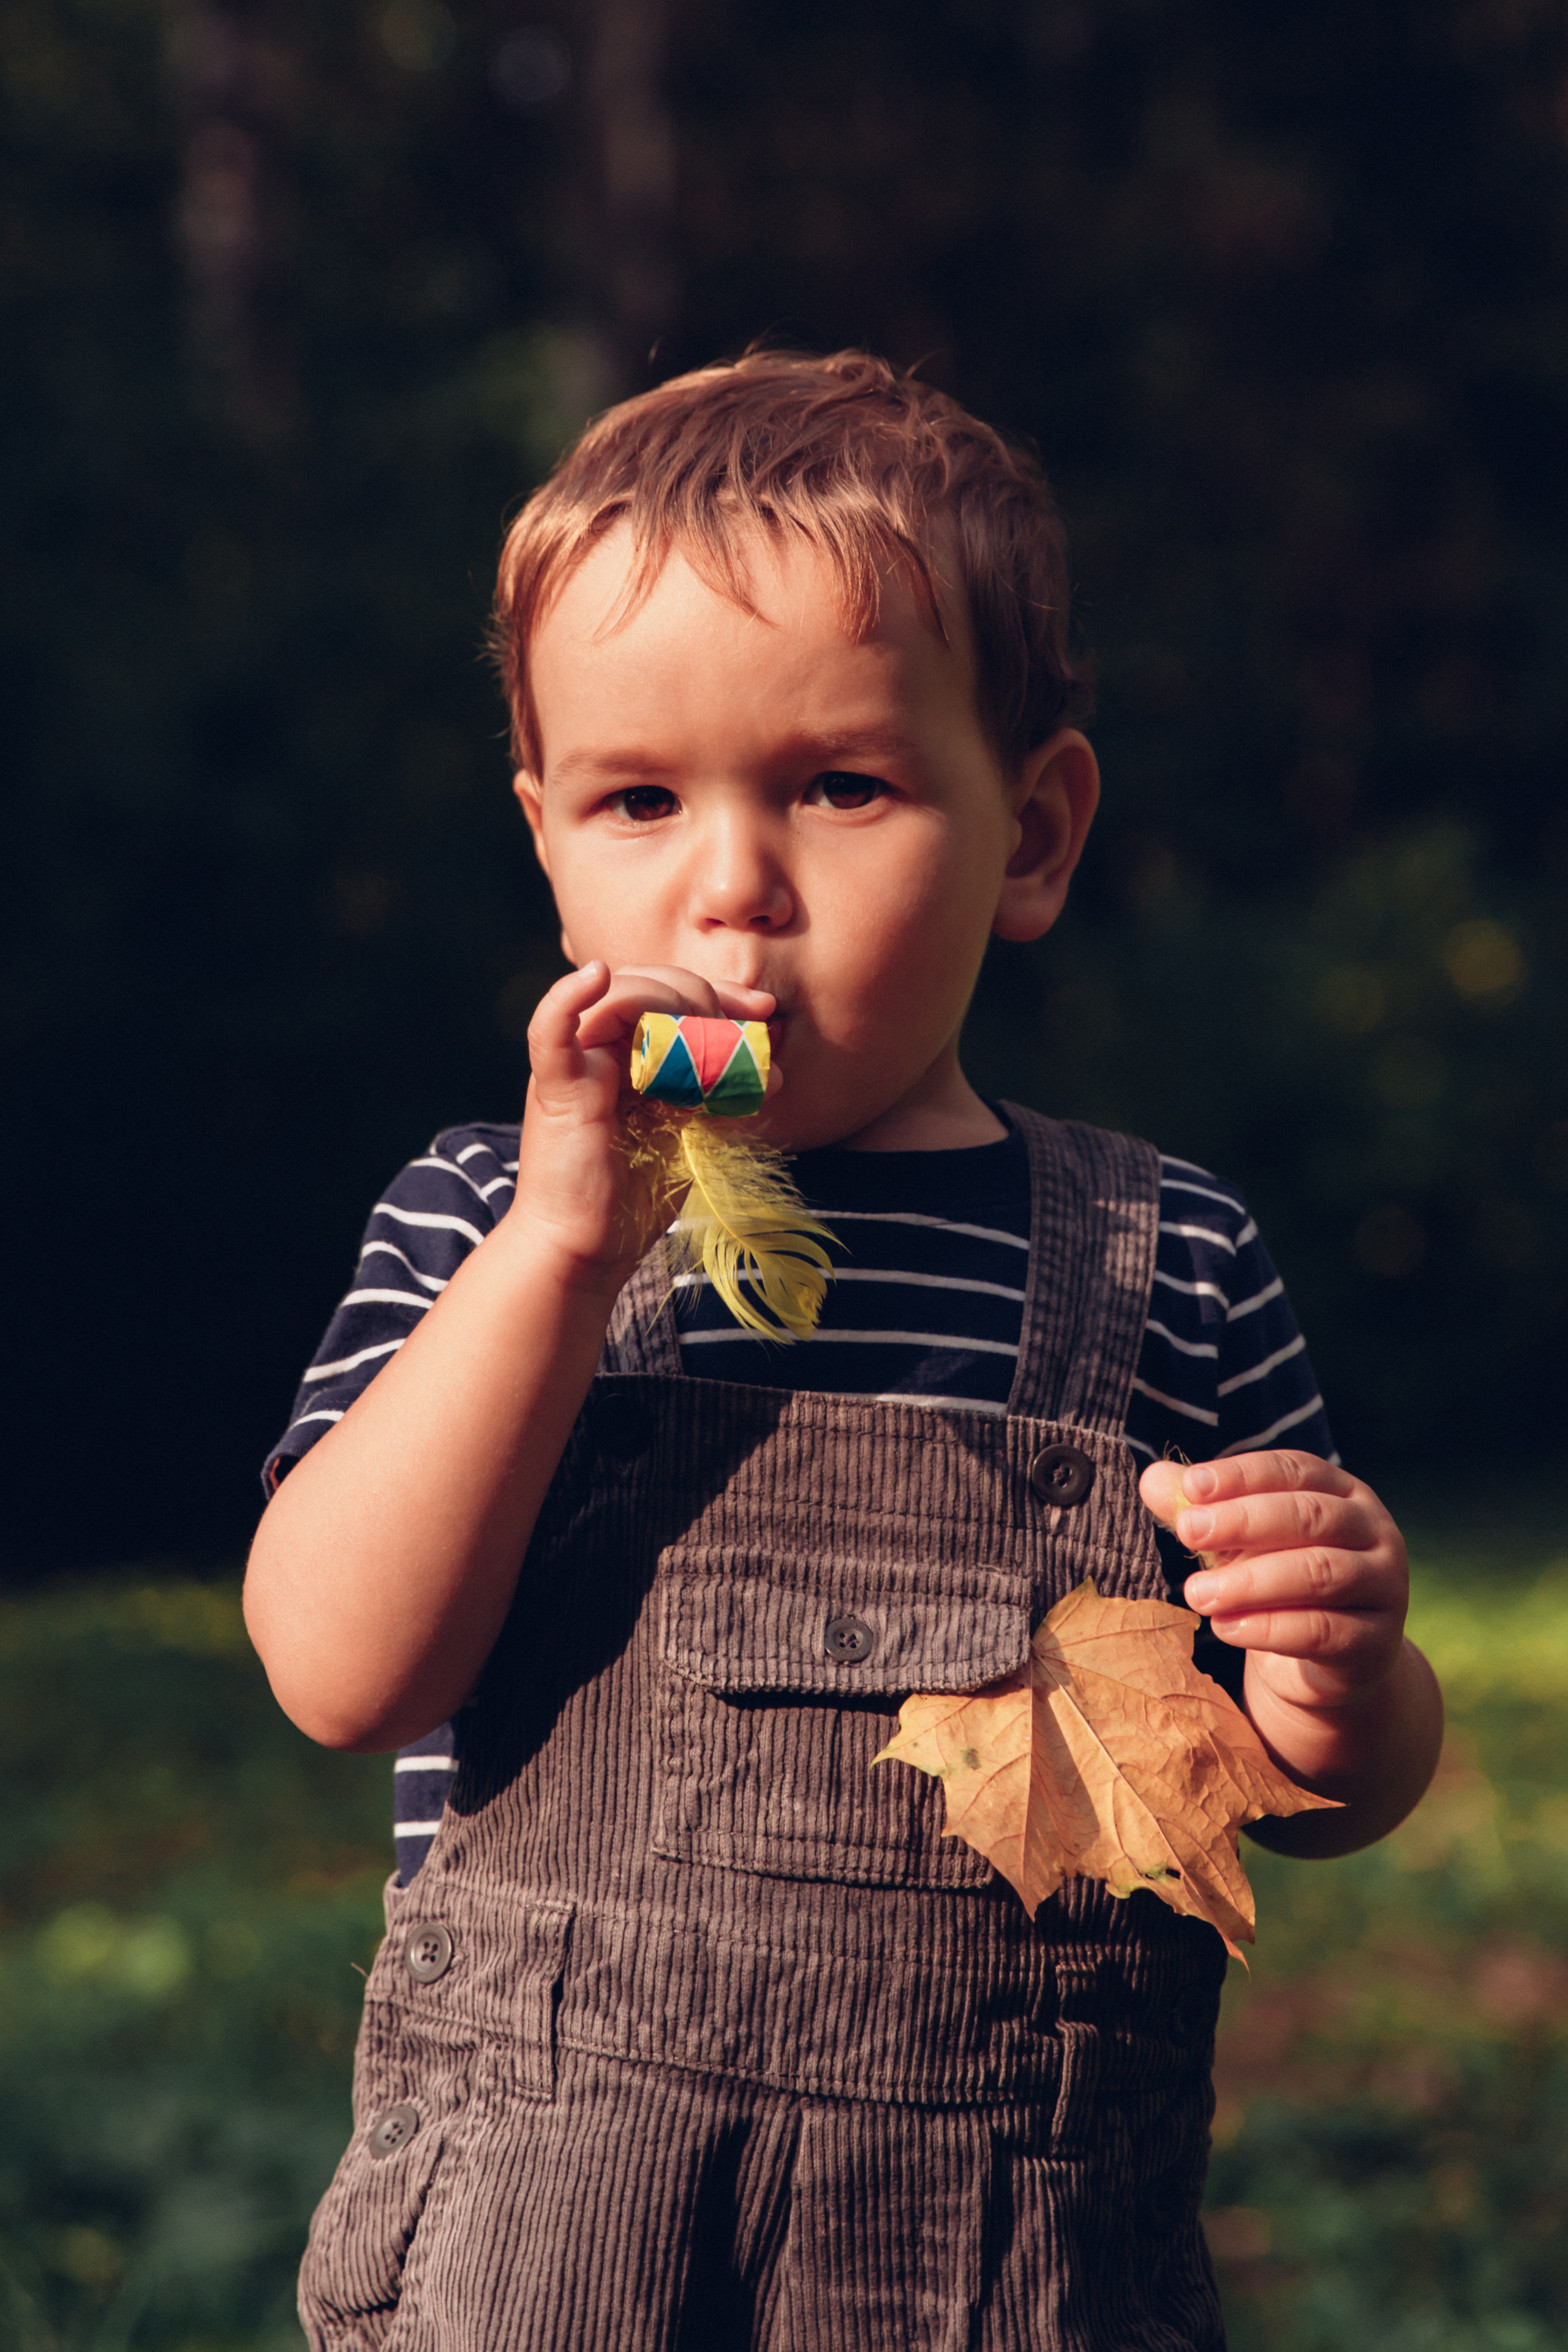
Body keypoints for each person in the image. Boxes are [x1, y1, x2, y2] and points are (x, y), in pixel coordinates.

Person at [244, 348, 1443, 2352]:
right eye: (640, 801)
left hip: (996, 2268)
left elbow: (1298, 1796)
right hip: (550, 2264)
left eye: (839, 785)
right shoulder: (481, 1220)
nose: (730, 888)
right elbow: (342, 1671)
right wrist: (559, 1249)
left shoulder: (1175, 1262)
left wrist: (1347, 1680)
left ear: (1034, 836)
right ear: (549, 848)